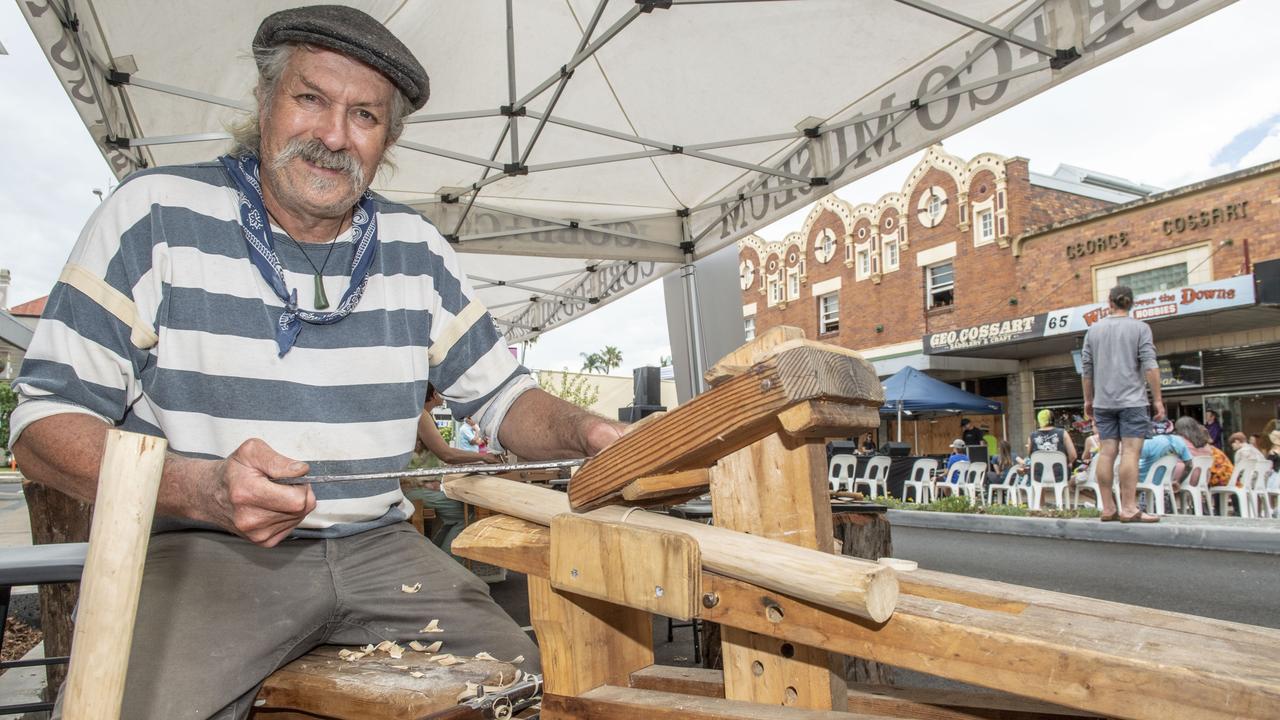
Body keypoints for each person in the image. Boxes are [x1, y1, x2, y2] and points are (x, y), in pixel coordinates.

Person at [8, 7, 625, 718]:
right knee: (121, 708)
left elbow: (505, 399)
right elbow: (43, 426)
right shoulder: (153, 215)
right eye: (311, 99)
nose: (333, 136)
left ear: (386, 140)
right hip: (204, 551)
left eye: (363, 115)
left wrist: (589, 432)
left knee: (523, 691)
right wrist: (199, 488)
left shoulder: (414, 248)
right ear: (265, 101)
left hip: (382, 550)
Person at [1080, 285, 1164, 523]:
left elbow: (1087, 369)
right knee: (1130, 452)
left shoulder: (1093, 331)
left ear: (1110, 302)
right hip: (1132, 402)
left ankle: (1108, 508)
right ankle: (1128, 508)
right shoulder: (1140, 328)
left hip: (1103, 403)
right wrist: (1157, 399)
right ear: (1131, 303)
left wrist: (1089, 399)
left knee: (1107, 452)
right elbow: (1150, 365)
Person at [409, 386, 501, 558]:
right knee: (466, 514)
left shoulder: (420, 414)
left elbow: (433, 456)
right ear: (434, 394)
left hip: (419, 486)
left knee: (456, 515)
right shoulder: (421, 415)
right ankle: (445, 562)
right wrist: (484, 458)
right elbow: (447, 454)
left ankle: (437, 558)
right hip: (418, 489)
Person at [1173, 417, 1232, 494]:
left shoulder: (1179, 440)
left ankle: (1165, 501)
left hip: (1186, 478)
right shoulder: (1205, 443)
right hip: (1204, 478)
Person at [1137, 422, 1192, 499]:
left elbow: (1133, 459)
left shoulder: (1149, 442)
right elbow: (1189, 465)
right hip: (1167, 480)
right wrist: (1178, 482)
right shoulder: (1180, 441)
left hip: (1145, 479)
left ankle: (1124, 506)